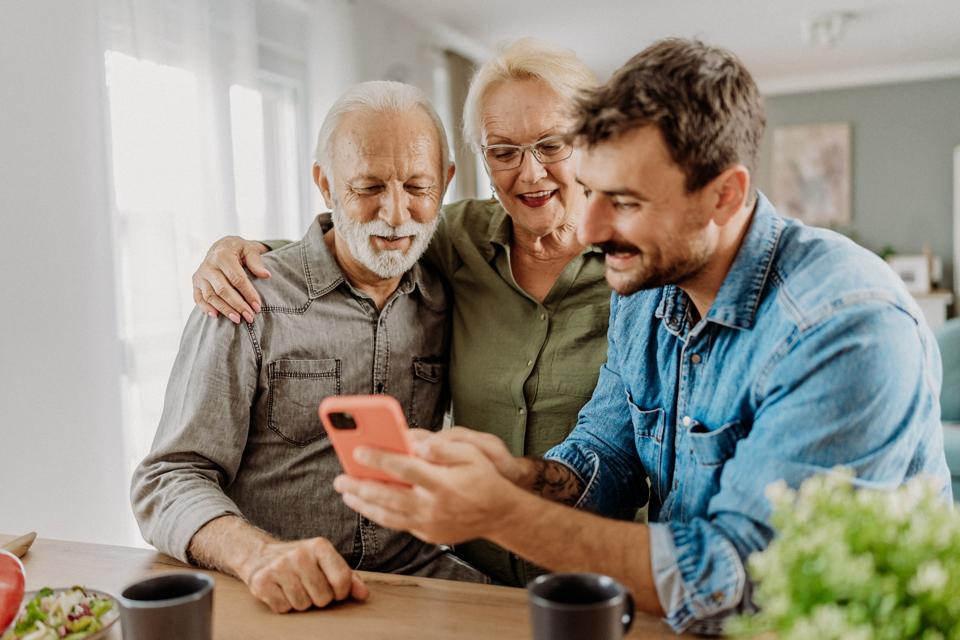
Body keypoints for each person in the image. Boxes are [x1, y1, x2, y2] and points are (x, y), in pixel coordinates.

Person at [330, 39, 952, 634]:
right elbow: (609, 447)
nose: (593, 228)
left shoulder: (846, 327)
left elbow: (738, 578)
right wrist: (517, 477)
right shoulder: (651, 286)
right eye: (594, 191)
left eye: (622, 202)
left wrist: (500, 513)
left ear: (723, 195)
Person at [188, 39, 611, 586]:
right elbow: (362, 247)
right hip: (471, 579)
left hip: (595, 574)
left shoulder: (641, 269)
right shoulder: (458, 241)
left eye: (551, 145)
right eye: (503, 151)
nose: (529, 175)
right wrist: (237, 250)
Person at [131, 81, 487, 616]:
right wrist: (258, 556)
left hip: (411, 576)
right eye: (368, 187)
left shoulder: (446, 299)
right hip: (270, 585)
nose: (396, 213)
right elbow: (167, 480)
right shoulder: (246, 297)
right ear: (325, 184)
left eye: (418, 185)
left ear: (446, 183)